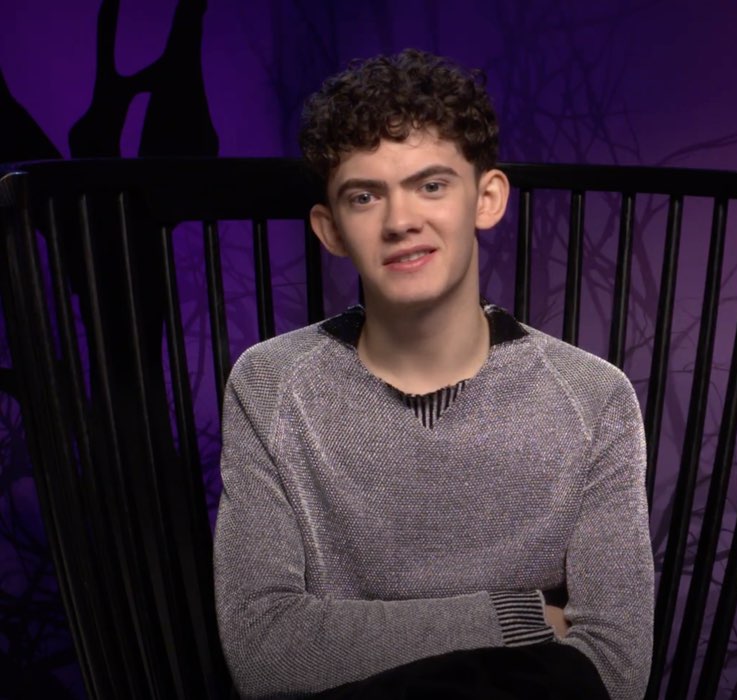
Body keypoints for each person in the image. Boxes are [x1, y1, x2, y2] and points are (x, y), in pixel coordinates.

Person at [213, 49, 654, 700]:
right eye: (365, 197)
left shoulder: (593, 398)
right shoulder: (271, 385)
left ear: (487, 198)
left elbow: (615, 670)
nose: (400, 222)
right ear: (331, 229)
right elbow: (265, 653)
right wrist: (517, 619)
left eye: (431, 185)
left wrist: (358, 653)